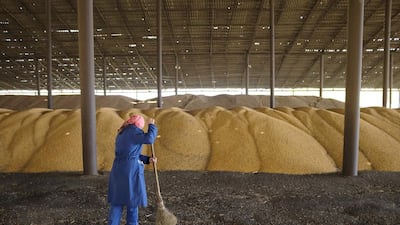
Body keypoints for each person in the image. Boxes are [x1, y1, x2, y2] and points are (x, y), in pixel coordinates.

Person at [107, 114, 158, 225]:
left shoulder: (122, 132)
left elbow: (132, 154)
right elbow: (149, 138)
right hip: (130, 171)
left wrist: (147, 159)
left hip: (118, 169)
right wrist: (151, 126)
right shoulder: (134, 131)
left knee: (117, 201)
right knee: (132, 201)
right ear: (138, 125)